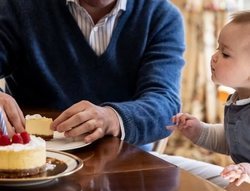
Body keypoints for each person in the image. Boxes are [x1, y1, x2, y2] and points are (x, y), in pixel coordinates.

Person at [0, 0, 185, 148]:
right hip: (31, 159)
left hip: (123, 166)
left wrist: (112, 117)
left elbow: (165, 105)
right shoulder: (19, 7)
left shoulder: (162, 17)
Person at [164, 10, 250, 187]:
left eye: (225, 54)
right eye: (218, 48)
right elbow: (234, 141)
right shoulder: (238, 100)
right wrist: (199, 131)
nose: (214, 57)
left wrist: (245, 170)